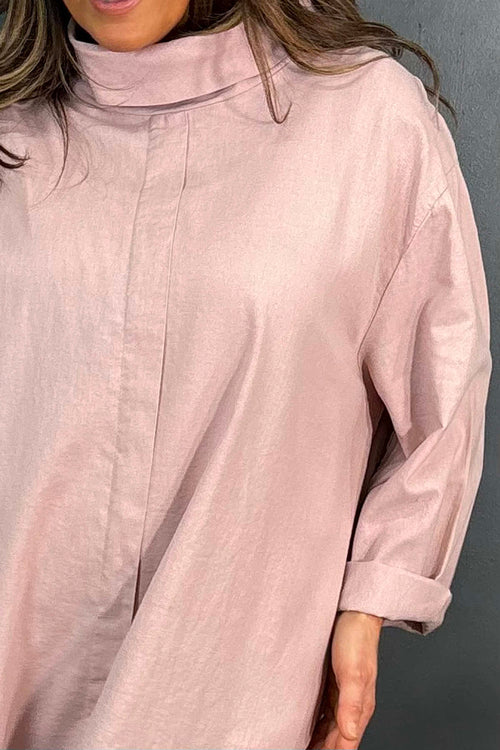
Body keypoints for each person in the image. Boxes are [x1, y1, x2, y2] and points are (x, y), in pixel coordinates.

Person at [0, 1, 492, 749]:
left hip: (232, 681)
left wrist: (371, 599)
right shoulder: (13, 128)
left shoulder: (366, 119)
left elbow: (444, 395)